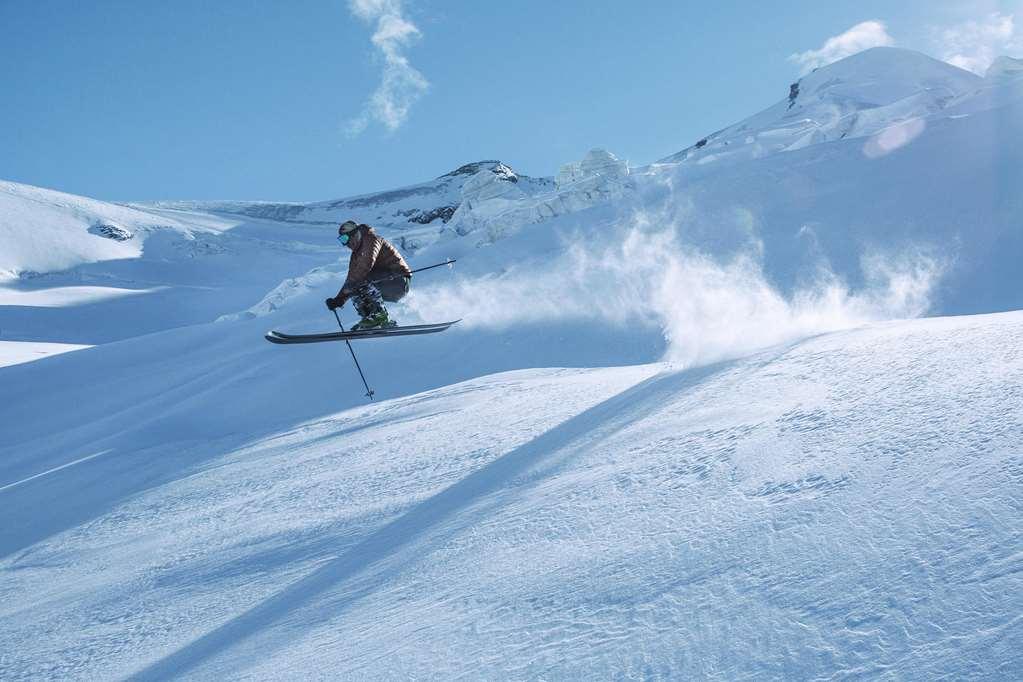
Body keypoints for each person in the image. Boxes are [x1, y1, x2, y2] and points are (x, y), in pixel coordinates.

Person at [325, 220, 412, 330]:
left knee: (360, 281)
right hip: (383, 282)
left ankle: (379, 317)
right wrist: (339, 299)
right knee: (354, 287)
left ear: (355, 234)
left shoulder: (371, 240)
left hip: (398, 280)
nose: (345, 244)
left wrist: (351, 286)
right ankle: (370, 319)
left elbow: (366, 265)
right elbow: (351, 278)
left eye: (345, 238)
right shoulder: (355, 254)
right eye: (342, 240)